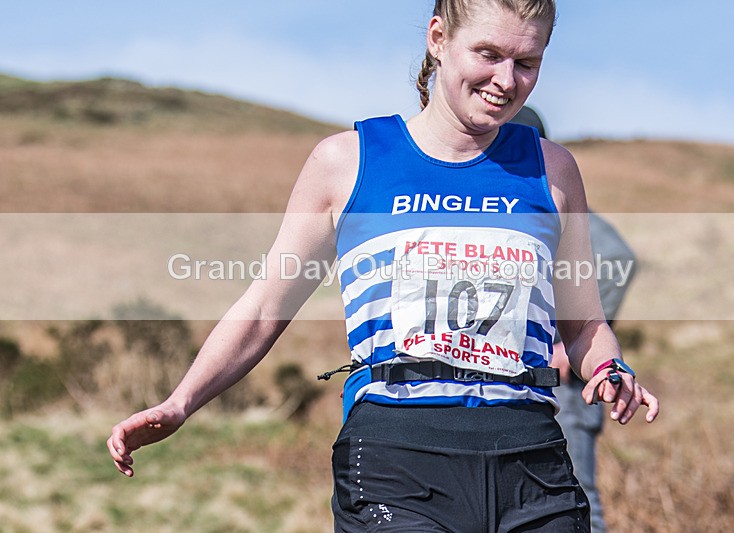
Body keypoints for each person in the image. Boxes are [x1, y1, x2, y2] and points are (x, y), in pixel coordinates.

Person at [108, 1, 659, 531]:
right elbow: (263, 310)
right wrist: (180, 403)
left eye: (527, 62)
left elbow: (583, 327)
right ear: (438, 38)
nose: (506, 80)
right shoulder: (347, 162)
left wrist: (609, 368)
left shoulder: (553, 170)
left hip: (531, 461)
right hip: (397, 461)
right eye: (488, 54)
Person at [511, 106, 639, 532]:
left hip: (567, 385)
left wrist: (568, 345)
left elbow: (619, 257)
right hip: (525, 384)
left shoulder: (556, 203)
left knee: (577, 500)